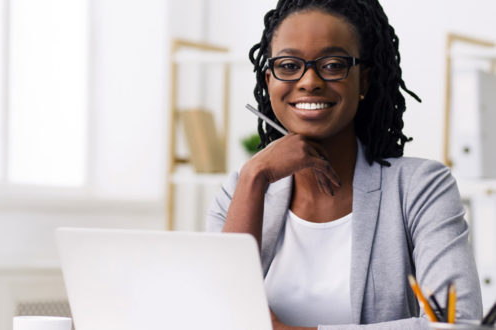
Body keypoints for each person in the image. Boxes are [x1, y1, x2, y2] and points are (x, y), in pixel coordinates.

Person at [206, 0, 483, 329]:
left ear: (363, 81)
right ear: (269, 81)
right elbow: (216, 317)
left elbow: (460, 324)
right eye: (289, 65)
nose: (309, 80)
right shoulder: (242, 188)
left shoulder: (420, 187)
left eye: (333, 64)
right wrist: (255, 174)